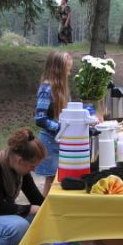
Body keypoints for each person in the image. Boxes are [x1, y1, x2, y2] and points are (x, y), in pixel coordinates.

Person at [35, 51, 74, 196]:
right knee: (51, 181)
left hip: (61, 140)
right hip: (50, 142)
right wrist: (60, 128)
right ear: (58, 69)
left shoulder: (61, 88)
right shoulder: (46, 89)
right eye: (67, 70)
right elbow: (40, 118)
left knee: (61, 180)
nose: (69, 73)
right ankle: (43, 210)